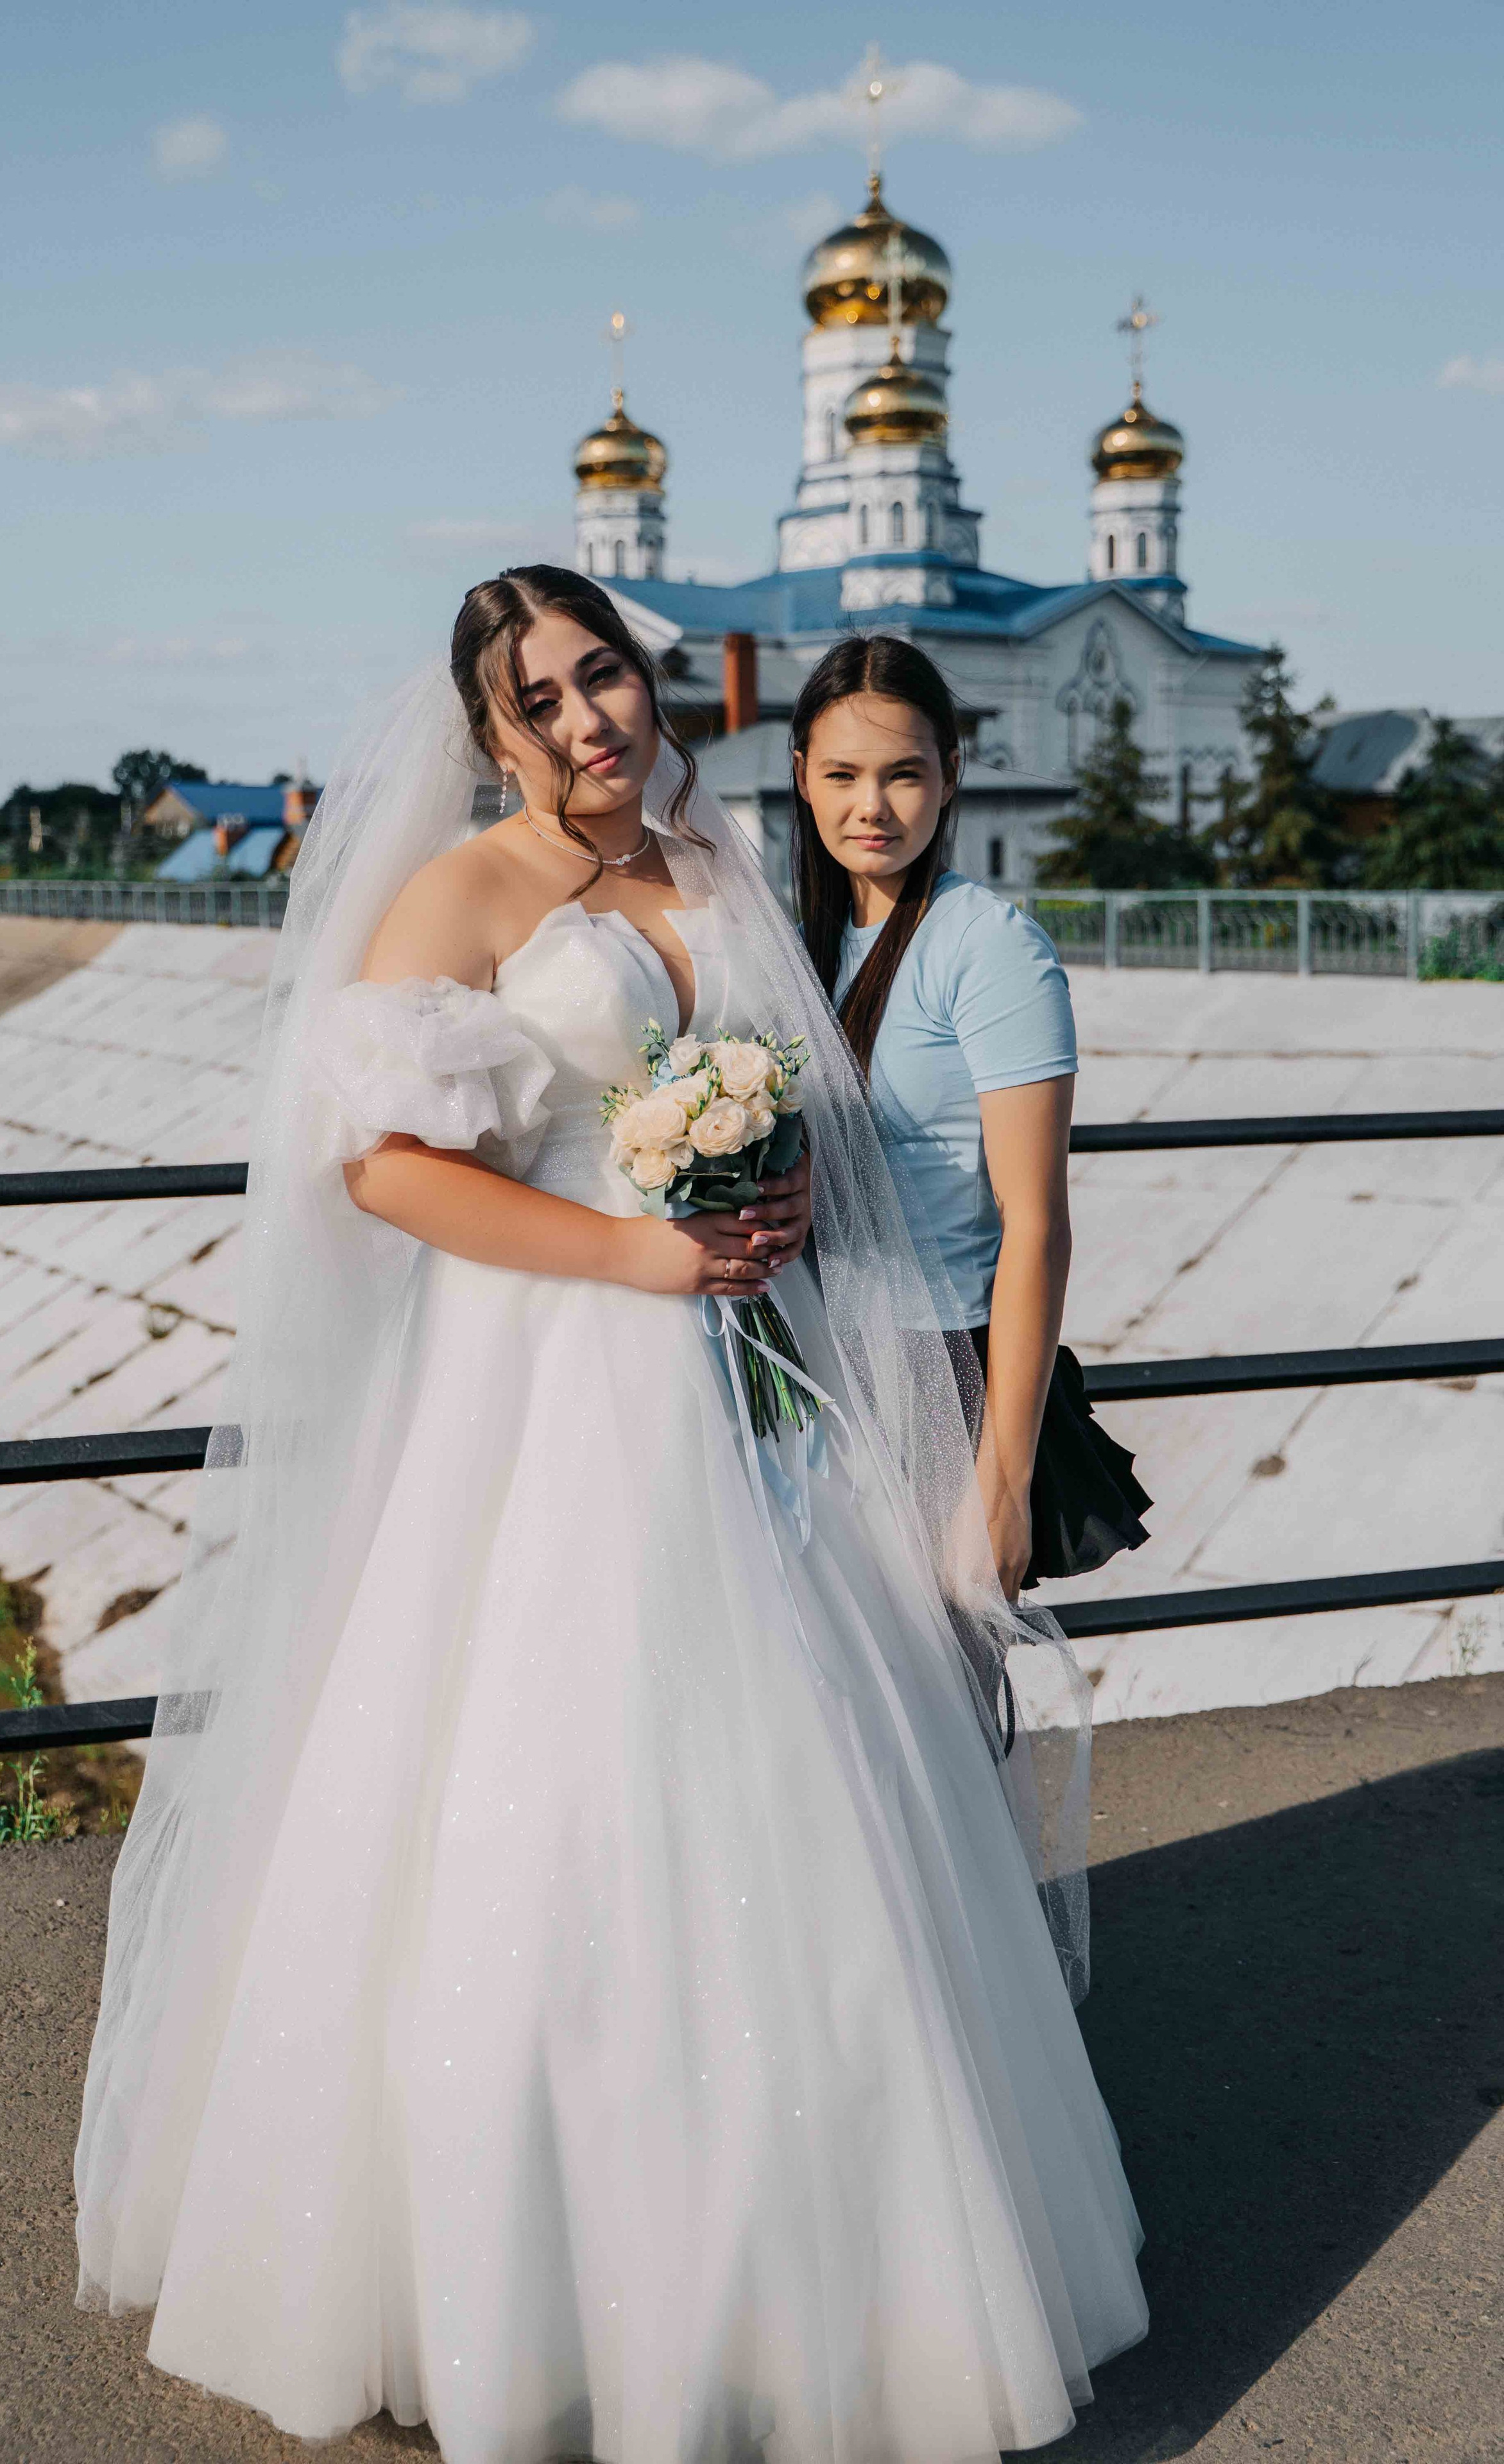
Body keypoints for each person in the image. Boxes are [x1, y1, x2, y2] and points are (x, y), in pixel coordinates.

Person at [74, 567, 1145, 2457]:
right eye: (542, 699)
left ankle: (825, 2272)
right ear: (490, 733)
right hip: (551, 1370)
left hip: (753, 1373)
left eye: (606, 677)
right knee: (544, 1775)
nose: (589, 720)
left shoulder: (716, 865)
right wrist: (635, 1255)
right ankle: (531, 2282)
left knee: (803, 1770)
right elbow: (387, 1174)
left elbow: (794, 1097)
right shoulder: (464, 892)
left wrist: (775, 1195)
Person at [792, 635, 1152, 1603]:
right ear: (803, 777)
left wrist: (1002, 1484)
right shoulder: (799, 946)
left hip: (937, 1370)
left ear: (950, 776)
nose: (872, 806)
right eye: (843, 775)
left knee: (939, 1678)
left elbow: (1036, 1223)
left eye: (904, 774)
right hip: (815, 1364)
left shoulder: (987, 946)